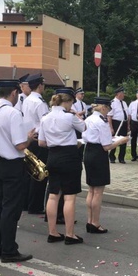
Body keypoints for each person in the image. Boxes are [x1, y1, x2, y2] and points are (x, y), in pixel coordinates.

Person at [0, 79, 36, 263]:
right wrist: (29, 138)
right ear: (14, 92)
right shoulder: (13, 113)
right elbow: (20, 145)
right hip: (11, 165)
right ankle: (8, 250)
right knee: (10, 209)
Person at [39, 88, 86, 244]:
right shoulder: (69, 117)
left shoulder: (45, 117)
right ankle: (69, 234)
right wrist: (75, 114)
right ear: (68, 102)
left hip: (53, 155)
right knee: (69, 197)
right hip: (69, 157)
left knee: (53, 195)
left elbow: (41, 142)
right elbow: (84, 127)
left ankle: (52, 232)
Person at [82, 97, 129, 234]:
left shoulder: (89, 119)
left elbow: (86, 137)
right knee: (98, 192)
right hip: (98, 154)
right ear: (103, 107)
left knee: (91, 190)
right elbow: (106, 146)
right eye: (108, 108)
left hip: (88, 151)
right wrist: (121, 141)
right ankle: (95, 223)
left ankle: (89, 220)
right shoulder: (101, 122)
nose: (109, 112)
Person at [21, 73, 51, 214]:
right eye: (43, 85)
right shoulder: (39, 102)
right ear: (40, 86)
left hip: (28, 138)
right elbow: (45, 122)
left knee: (29, 172)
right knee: (40, 173)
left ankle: (26, 203)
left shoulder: (27, 100)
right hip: (38, 138)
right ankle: (35, 205)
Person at [107, 86, 129, 163]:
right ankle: (112, 157)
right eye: (123, 93)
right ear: (118, 94)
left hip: (124, 123)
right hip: (116, 122)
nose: (124, 95)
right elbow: (109, 116)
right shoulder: (112, 103)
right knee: (115, 140)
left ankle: (121, 158)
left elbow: (127, 114)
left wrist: (128, 125)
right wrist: (111, 128)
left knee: (124, 141)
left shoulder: (124, 103)